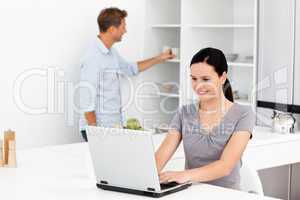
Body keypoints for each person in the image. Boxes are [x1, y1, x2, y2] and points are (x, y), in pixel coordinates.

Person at [155, 47, 254, 190]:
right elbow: (160, 158)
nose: (198, 85)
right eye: (194, 79)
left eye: (206, 79)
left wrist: (184, 175)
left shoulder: (243, 114)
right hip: (190, 193)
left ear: (222, 77)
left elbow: (225, 166)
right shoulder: (184, 113)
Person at [79, 7, 175, 141]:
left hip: (112, 127)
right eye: (123, 26)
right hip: (98, 130)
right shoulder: (93, 57)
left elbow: (130, 69)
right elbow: (86, 99)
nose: (125, 30)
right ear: (112, 29)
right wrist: (95, 133)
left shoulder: (111, 53)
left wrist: (160, 58)